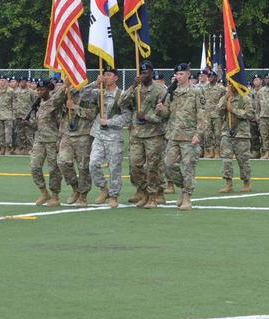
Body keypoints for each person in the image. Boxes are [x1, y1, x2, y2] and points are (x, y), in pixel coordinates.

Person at [158, 63, 208, 210]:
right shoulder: (172, 92)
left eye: (181, 74)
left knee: (188, 167)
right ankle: (183, 188)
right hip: (173, 134)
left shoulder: (196, 92)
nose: (179, 77)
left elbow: (202, 115)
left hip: (189, 136)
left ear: (188, 74)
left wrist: (199, 134)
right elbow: (167, 114)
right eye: (177, 74)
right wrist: (161, 110)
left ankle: (187, 197)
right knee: (168, 165)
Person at [120, 61, 168, 208]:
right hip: (136, 134)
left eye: (146, 72)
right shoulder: (136, 89)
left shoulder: (160, 90)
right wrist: (132, 86)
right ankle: (144, 192)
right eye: (141, 72)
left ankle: (153, 196)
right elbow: (122, 103)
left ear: (152, 72)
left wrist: (146, 117)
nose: (143, 75)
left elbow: (164, 114)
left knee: (152, 167)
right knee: (135, 165)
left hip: (154, 134)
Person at [88, 67, 131, 208]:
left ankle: (114, 196)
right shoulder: (99, 92)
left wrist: (110, 122)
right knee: (93, 164)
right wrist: (95, 83)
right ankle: (103, 189)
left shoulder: (122, 95)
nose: (106, 77)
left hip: (114, 137)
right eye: (104, 75)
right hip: (99, 135)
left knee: (114, 169)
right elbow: (81, 95)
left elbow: (127, 116)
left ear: (116, 77)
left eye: (109, 75)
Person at [58, 76, 97, 206]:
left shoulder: (89, 94)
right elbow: (52, 102)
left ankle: (83, 195)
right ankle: (75, 188)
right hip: (67, 134)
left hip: (83, 134)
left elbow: (92, 114)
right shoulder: (64, 93)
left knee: (83, 167)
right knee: (63, 161)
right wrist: (64, 88)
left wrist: (75, 107)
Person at [28, 79, 66, 206]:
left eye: (42, 89)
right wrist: (28, 123)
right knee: (34, 167)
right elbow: (39, 125)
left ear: (49, 89)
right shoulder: (39, 104)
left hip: (52, 140)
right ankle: (44, 193)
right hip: (39, 140)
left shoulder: (53, 102)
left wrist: (66, 83)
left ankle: (55, 196)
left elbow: (61, 93)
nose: (39, 91)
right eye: (38, 89)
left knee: (53, 169)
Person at [217, 80, 255, 193]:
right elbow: (218, 111)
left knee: (243, 159)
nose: (230, 86)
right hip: (227, 132)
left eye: (232, 84)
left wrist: (234, 110)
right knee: (226, 159)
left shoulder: (245, 98)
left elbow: (250, 114)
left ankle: (246, 182)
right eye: (229, 84)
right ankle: (228, 183)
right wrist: (225, 99)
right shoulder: (225, 97)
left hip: (241, 134)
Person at [201, 71, 226, 159]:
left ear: (216, 78)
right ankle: (210, 151)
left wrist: (221, 110)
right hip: (207, 114)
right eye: (210, 76)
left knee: (218, 133)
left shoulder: (221, 88)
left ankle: (217, 151)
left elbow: (224, 100)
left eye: (213, 76)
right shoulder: (204, 88)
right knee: (207, 134)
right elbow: (202, 100)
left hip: (217, 114)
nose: (211, 78)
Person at [0, 76, 15, 155]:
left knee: (8, 133)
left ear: (6, 81)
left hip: (8, 114)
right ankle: (1, 148)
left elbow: (14, 103)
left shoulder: (11, 91)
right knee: (0, 133)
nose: (1, 82)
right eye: (0, 80)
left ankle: (8, 148)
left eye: (3, 80)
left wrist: (14, 114)